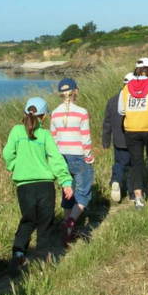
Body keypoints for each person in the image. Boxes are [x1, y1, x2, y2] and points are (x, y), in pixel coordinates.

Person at [3, 97, 73, 276]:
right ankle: (43, 262)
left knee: (27, 221)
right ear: (45, 116)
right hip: (45, 186)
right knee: (45, 223)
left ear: (25, 113)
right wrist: (65, 182)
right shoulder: (45, 134)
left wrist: (14, 167)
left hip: (24, 186)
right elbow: (56, 160)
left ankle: (18, 255)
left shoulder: (16, 131)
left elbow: (7, 153)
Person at [118, 58, 148, 211]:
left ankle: (138, 198)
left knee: (136, 163)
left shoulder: (126, 88)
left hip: (131, 130)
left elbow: (121, 110)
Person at [50, 79, 94, 248]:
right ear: (76, 92)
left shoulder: (54, 113)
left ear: (60, 94)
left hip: (62, 158)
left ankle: (68, 228)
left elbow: (53, 139)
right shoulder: (81, 112)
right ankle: (70, 222)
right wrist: (89, 157)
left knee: (68, 192)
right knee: (83, 193)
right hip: (78, 156)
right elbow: (86, 138)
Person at [103, 72, 135, 203]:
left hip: (118, 140)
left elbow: (107, 123)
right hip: (134, 139)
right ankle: (133, 193)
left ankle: (116, 180)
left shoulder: (113, 100)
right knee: (134, 166)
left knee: (119, 163)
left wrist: (105, 142)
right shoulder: (137, 100)